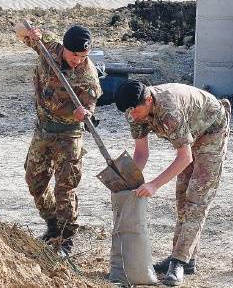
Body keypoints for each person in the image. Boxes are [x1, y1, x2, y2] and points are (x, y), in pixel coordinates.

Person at [114, 80, 231, 286]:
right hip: (190, 134)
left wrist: (154, 185)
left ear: (148, 100)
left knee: (197, 199)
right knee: (182, 196)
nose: (132, 116)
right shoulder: (134, 110)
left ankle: (179, 261)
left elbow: (184, 158)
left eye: (135, 111)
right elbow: (141, 154)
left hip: (211, 131)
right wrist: (128, 181)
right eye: (128, 112)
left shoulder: (169, 111)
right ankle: (188, 259)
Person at [15, 21, 102, 254]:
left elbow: (91, 105)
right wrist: (30, 33)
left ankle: (65, 238)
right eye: (75, 55)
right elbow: (19, 31)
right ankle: (52, 224)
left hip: (70, 133)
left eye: (84, 56)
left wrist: (85, 113)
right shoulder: (48, 47)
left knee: (66, 186)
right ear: (64, 48)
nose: (78, 60)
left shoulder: (88, 75)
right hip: (44, 129)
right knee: (35, 181)